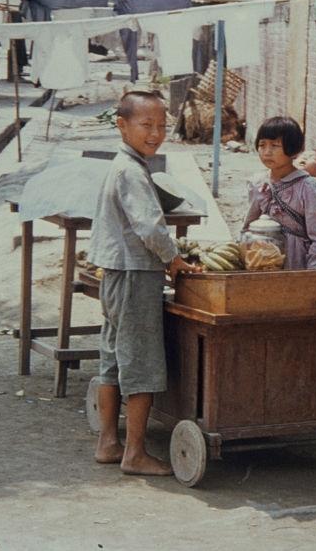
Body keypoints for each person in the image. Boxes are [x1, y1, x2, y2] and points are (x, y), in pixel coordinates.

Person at [87, 90, 202, 476]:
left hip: (116, 274)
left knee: (113, 357)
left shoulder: (127, 166)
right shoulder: (132, 172)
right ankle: (134, 453)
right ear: (121, 125)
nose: (156, 133)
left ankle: (108, 442)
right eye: (146, 125)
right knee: (141, 362)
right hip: (135, 274)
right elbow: (150, 226)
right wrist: (174, 260)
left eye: (162, 126)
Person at [242, 116, 316, 270]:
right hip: (264, 262)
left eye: (275, 145)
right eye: (262, 145)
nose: (267, 152)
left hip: (298, 264)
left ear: (292, 149)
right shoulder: (259, 183)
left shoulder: (309, 187)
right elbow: (248, 227)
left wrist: (313, 276)